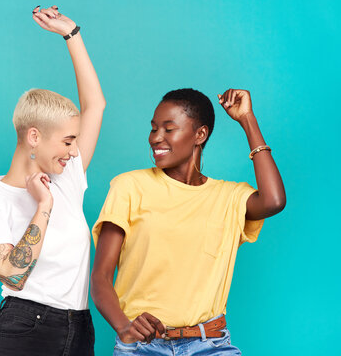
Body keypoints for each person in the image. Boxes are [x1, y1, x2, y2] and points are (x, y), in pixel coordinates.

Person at [91, 88, 285, 355]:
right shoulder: (129, 187)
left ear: (200, 135)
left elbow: (274, 201)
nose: (156, 138)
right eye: (153, 129)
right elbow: (100, 277)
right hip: (143, 347)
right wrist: (124, 327)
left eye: (169, 129)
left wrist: (247, 119)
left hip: (211, 344)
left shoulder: (228, 197)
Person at [0, 5, 105, 356]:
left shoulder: (67, 177)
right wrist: (43, 206)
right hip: (24, 330)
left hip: (79, 329)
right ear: (34, 136)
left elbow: (95, 106)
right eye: (67, 141)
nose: (74, 153)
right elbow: (13, 275)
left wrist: (71, 34)